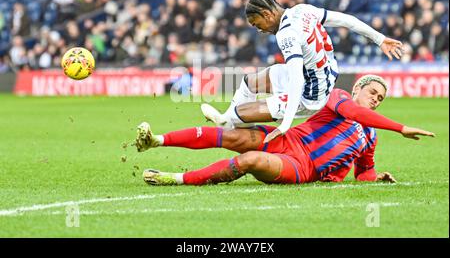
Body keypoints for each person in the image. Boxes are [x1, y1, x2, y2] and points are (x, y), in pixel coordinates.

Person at [134, 75, 435, 186]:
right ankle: (156, 140)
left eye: (380, 99)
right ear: (357, 88)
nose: (375, 100)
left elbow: (364, 171)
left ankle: (175, 178)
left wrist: (375, 178)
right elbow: (355, 113)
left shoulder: (370, 136)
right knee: (234, 136)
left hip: (302, 166)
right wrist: (401, 128)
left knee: (251, 160)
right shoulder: (339, 97)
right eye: (372, 93)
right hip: (286, 137)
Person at [201, 0, 404, 144]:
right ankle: (228, 119)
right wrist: (380, 39)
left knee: (240, 113)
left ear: (266, 14)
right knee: (249, 82)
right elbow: (346, 20)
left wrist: (285, 124)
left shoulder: (286, 35)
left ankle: (230, 121)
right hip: (322, 74)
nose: (259, 30)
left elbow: (296, 77)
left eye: (257, 24)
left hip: (310, 95)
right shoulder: (302, 10)